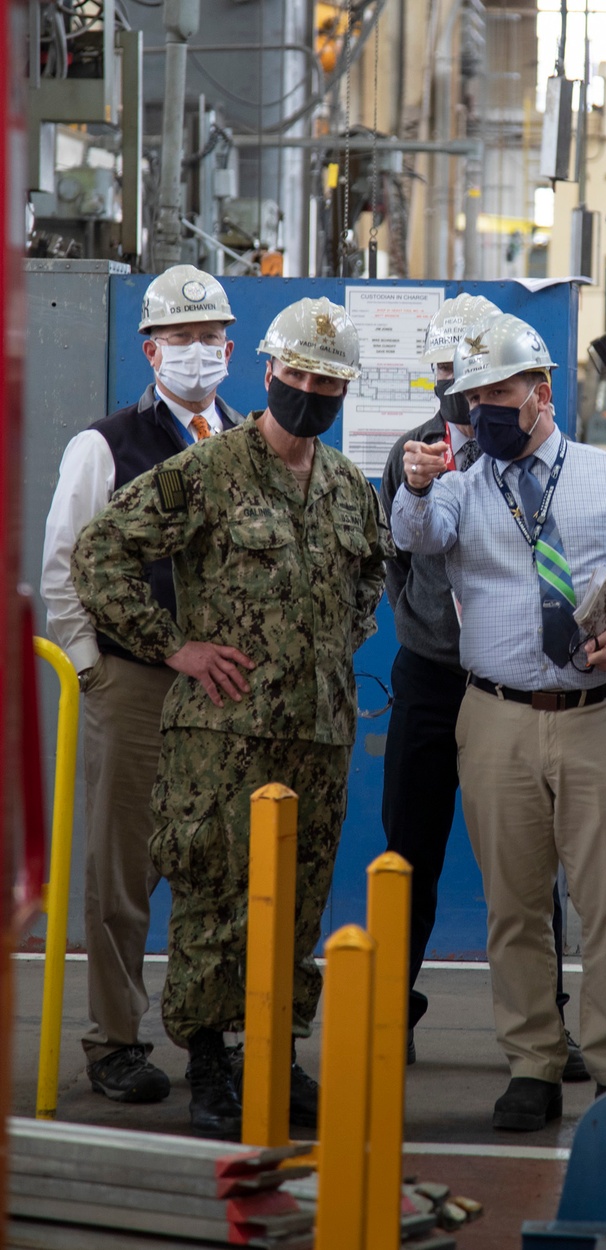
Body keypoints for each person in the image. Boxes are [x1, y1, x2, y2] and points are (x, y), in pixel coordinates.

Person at [72, 297, 390, 1139]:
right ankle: (210, 1062)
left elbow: (370, 578)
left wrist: (326, 648)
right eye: (300, 375)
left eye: (331, 381)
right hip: (222, 737)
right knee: (216, 900)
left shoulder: (349, 487)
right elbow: (100, 550)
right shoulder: (210, 470)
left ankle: (275, 1055)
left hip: (319, 736)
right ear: (269, 372)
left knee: (299, 903)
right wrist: (173, 646)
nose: (313, 391)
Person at [391, 313, 606, 1132]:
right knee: (515, 904)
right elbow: (415, 535)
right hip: (494, 717)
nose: (486, 408)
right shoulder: (458, 485)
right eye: (474, 396)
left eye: (500, 393)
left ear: (541, 392)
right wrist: (416, 483)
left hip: (598, 717)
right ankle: (531, 1060)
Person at [40, 265, 242, 1105]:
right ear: (150, 348)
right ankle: (114, 1040)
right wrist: (90, 665)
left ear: (229, 348)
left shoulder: (249, 441)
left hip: (228, 696)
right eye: (180, 338)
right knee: (123, 874)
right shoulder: (104, 443)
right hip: (133, 687)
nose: (196, 352)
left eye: (209, 337)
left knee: (222, 874)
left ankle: (210, 1043)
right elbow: (64, 565)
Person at [380, 295, 587, 1081]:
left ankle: (550, 1024)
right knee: (411, 849)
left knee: (534, 865)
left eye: (473, 379)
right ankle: (390, 1005)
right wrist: (431, 633)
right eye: (445, 377)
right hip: (434, 678)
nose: (460, 393)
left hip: (516, 685)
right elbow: (399, 555)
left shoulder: (545, 454)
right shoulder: (416, 452)